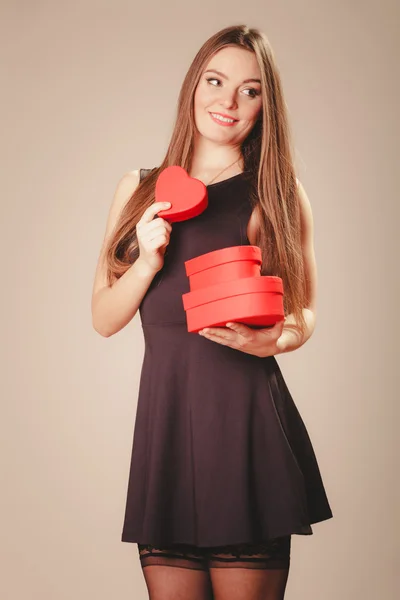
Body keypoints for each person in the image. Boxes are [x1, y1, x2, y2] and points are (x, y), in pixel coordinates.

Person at [91, 24, 333, 600]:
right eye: (216, 81)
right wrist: (147, 263)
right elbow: (103, 317)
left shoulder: (276, 192)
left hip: (246, 431)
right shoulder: (137, 188)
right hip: (168, 432)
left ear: (264, 107)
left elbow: (305, 311)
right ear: (192, 86)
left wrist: (270, 339)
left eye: (250, 91)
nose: (227, 101)